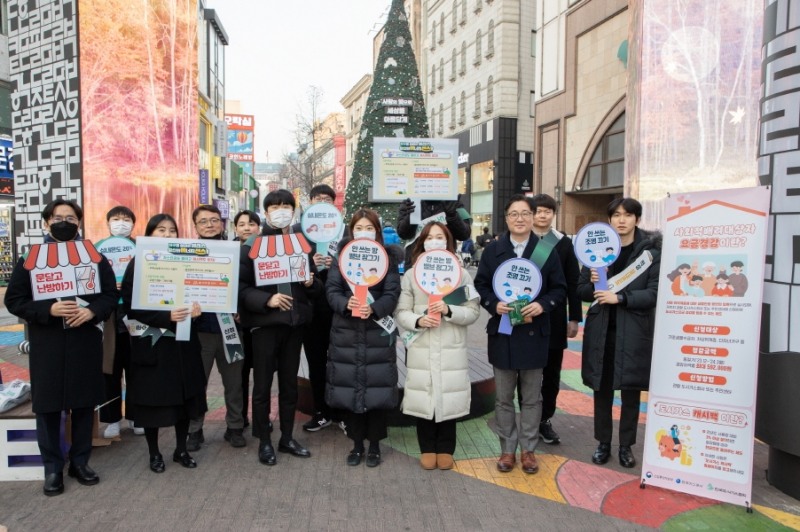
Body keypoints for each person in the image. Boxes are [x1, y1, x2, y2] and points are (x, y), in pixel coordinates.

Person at [5, 199, 118, 496]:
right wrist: (48, 311)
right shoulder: (31, 258)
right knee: (48, 407)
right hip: (48, 343)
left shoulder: (94, 257)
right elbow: (14, 300)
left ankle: (80, 462)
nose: (64, 222)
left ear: (79, 222)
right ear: (46, 222)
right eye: (58, 217)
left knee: (83, 404)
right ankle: (52, 468)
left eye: (71, 217)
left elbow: (109, 296)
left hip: (84, 340)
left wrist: (93, 311)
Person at [473, 195, 566, 474]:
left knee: (531, 397)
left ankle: (528, 450)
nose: (520, 218)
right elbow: (481, 285)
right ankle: (506, 449)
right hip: (503, 333)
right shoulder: (493, 251)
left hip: (534, 333)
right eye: (514, 214)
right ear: (506, 218)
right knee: (503, 397)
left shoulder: (546, 250)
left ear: (533, 216)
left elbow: (559, 289)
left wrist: (541, 305)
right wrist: (493, 304)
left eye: (526, 213)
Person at [239, 189, 321, 466]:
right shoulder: (251, 246)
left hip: (294, 325)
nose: (281, 210)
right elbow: (240, 288)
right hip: (264, 326)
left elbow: (315, 285)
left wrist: (311, 283)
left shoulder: (301, 243)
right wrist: (267, 299)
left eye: (287, 205)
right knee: (262, 386)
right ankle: (264, 440)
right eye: (275, 206)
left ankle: (287, 437)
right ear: (266, 212)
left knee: (289, 386)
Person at [578, 197, 661, 469]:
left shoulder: (650, 252)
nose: (621, 220)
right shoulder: (596, 248)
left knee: (630, 391)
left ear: (637, 219)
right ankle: (603, 443)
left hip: (635, 332)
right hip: (602, 330)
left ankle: (626, 446)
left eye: (627, 215)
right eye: (616, 215)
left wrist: (621, 298)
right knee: (601, 390)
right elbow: (579, 290)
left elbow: (654, 293)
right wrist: (590, 285)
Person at [121, 214, 208, 473]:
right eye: (161, 230)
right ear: (150, 234)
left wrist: (198, 307)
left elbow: (201, 291)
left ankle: (181, 450)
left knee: (184, 401)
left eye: (172, 230)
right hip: (152, 345)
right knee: (152, 402)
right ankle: (154, 453)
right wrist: (165, 316)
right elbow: (130, 305)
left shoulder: (189, 260)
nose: (168, 235)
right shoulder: (138, 263)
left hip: (183, 344)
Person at [395, 222, 480, 470]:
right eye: (429, 237)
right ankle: (427, 447)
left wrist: (449, 309)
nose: (434, 241)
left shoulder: (461, 274)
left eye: (439, 237)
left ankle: (446, 447)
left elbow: (473, 312)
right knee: (424, 394)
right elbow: (401, 312)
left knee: (448, 395)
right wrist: (419, 319)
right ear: (422, 242)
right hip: (422, 344)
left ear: (448, 241)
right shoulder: (411, 275)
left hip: (451, 345)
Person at [326, 208, 402, 467]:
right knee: (351, 390)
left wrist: (376, 307)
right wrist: (345, 303)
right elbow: (331, 290)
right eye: (359, 228)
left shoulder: (387, 259)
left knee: (377, 390)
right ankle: (356, 444)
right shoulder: (341, 258)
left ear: (377, 232)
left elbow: (392, 293)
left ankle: (375, 445)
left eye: (369, 228)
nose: (364, 233)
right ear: (351, 231)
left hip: (376, 332)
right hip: (346, 333)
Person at [186, 205, 246, 451]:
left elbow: (246, 285)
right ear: (196, 226)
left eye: (214, 220)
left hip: (230, 329)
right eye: (203, 222)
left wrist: (242, 308)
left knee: (234, 383)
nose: (209, 225)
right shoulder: (187, 253)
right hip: (199, 330)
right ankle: (194, 430)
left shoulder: (238, 252)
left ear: (222, 224)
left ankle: (235, 427)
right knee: (196, 383)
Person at [528, 194, 582, 445]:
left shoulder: (562, 243)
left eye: (548, 211)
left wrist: (575, 318)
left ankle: (544, 419)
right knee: (525, 372)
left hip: (555, 318)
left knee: (551, 373)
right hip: (524, 317)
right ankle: (527, 419)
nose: (543, 215)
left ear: (554, 214)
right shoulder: (519, 240)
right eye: (538, 211)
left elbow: (573, 282)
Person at [97, 205, 145, 438]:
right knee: (110, 369)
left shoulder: (141, 248)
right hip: (108, 318)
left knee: (136, 368)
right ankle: (111, 419)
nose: (121, 223)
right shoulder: (97, 250)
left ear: (133, 224)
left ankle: (136, 417)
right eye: (116, 219)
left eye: (126, 219)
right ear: (108, 223)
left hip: (134, 315)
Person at [301, 184, 338, 432]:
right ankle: (321, 411)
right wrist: (309, 264)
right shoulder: (299, 233)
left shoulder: (344, 233)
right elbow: (290, 268)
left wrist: (335, 263)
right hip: (311, 310)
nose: (322, 202)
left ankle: (342, 412)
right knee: (316, 362)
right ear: (310, 202)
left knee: (340, 361)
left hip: (338, 310)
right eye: (318, 199)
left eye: (327, 199)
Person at [232, 210, 261, 429]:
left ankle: (261, 418)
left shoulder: (265, 251)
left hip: (259, 322)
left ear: (258, 228)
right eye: (241, 224)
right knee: (238, 374)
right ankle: (239, 418)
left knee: (261, 374)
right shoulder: (228, 252)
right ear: (235, 229)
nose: (246, 228)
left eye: (251, 224)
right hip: (235, 324)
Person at [396, 196, 472, 268]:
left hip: (445, 264)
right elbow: (403, 234)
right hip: (415, 263)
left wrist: (452, 216)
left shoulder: (453, 202)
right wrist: (410, 217)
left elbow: (464, 235)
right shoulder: (410, 202)